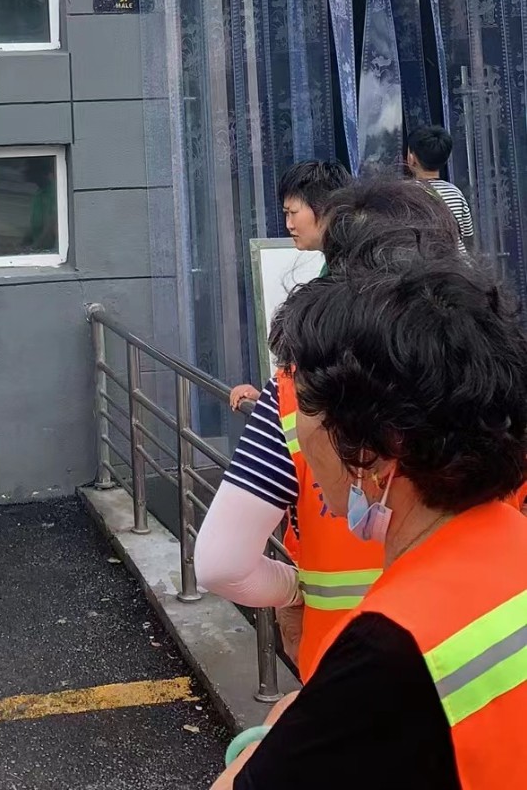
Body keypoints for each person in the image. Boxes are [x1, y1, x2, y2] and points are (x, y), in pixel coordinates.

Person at [213, 258, 527, 789]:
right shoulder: (512, 540)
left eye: (304, 407)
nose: (298, 437)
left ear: (376, 449)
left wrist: (283, 730)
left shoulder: (385, 648)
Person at [196, 178, 462, 679]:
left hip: (345, 668)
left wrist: (295, 591)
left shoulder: (296, 389)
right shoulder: (494, 380)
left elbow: (219, 563)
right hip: (487, 666)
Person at [228, 161, 350, 412]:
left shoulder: (351, 274)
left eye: (292, 212)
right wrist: (272, 398)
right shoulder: (338, 261)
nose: (289, 225)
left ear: (325, 209)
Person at [406, 124, 474, 254]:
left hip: (429, 264)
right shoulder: (455, 192)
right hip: (457, 263)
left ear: (411, 159)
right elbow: (467, 235)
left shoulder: (405, 193)